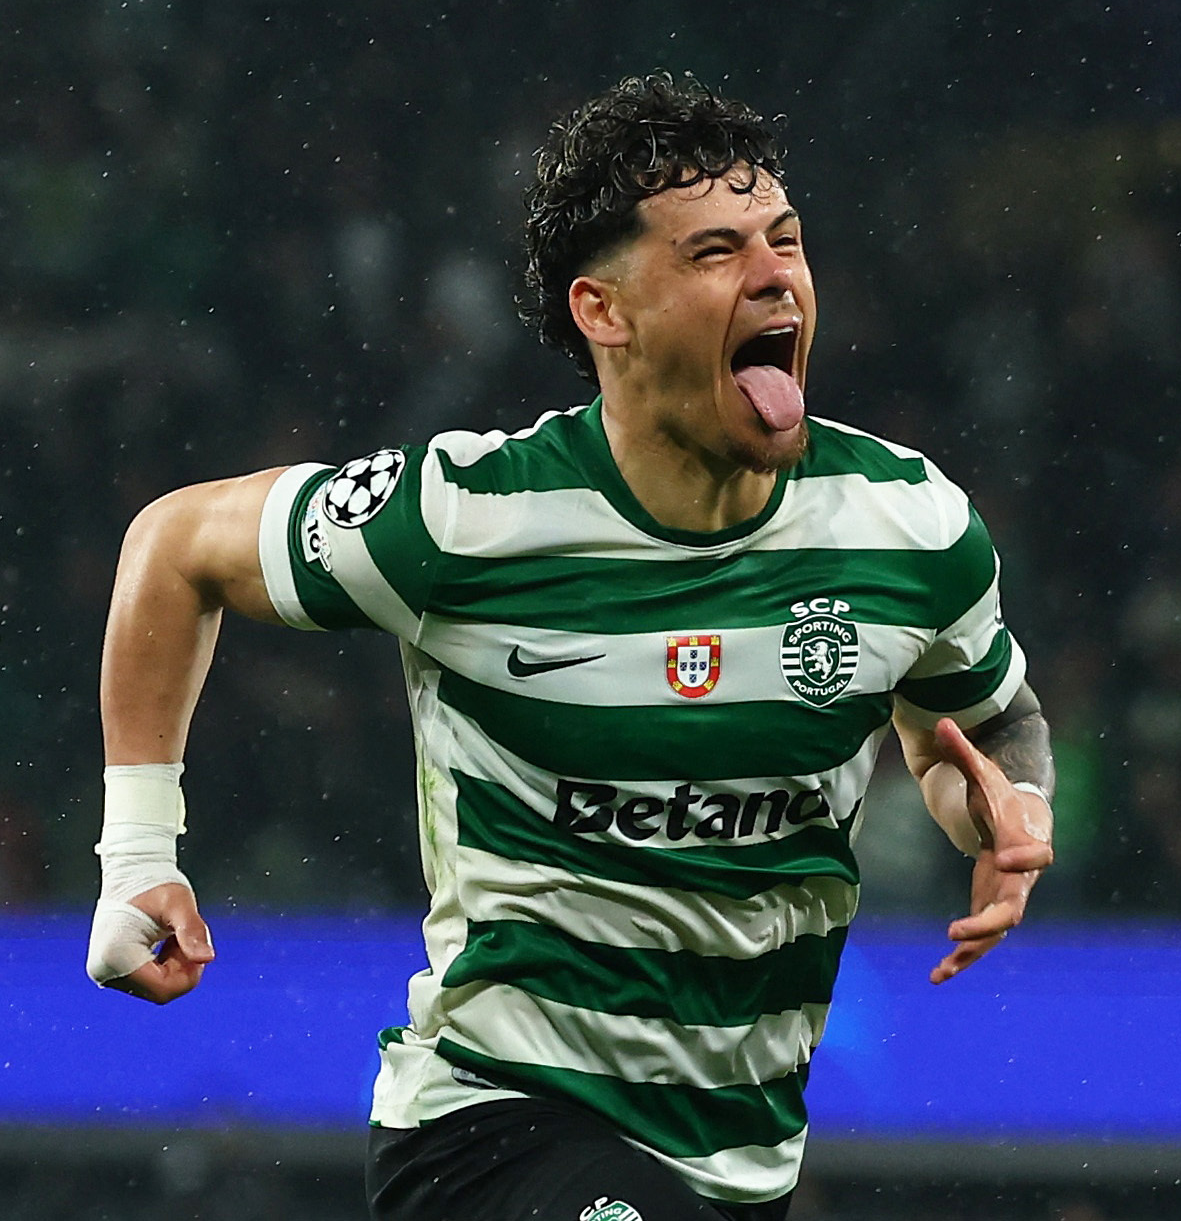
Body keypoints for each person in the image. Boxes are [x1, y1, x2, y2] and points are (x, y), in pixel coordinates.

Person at [87, 73, 1056, 1221]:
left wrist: (1001, 809)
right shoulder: (467, 519)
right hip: (491, 1124)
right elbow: (173, 545)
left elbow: (980, 726)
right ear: (604, 310)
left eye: (784, 241)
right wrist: (137, 851)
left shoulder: (908, 525)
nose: (773, 275)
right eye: (712, 253)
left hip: (739, 1152)